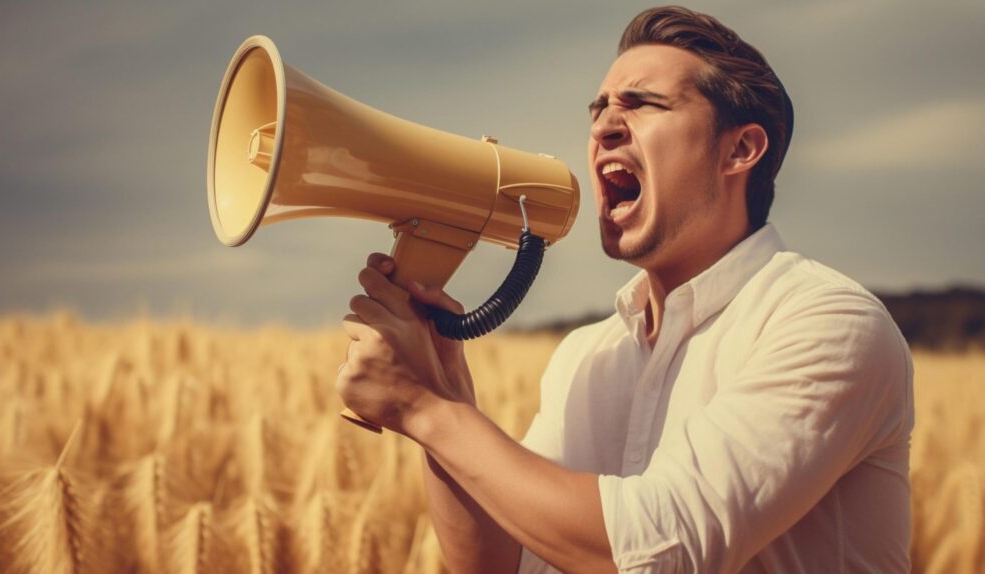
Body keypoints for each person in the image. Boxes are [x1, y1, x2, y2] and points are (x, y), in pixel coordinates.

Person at [336, 5, 914, 573]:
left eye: (643, 104)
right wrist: (446, 390)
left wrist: (424, 408)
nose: (605, 126)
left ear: (740, 149)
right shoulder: (586, 356)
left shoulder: (826, 323)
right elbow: (502, 563)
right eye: (600, 109)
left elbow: (661, 553)